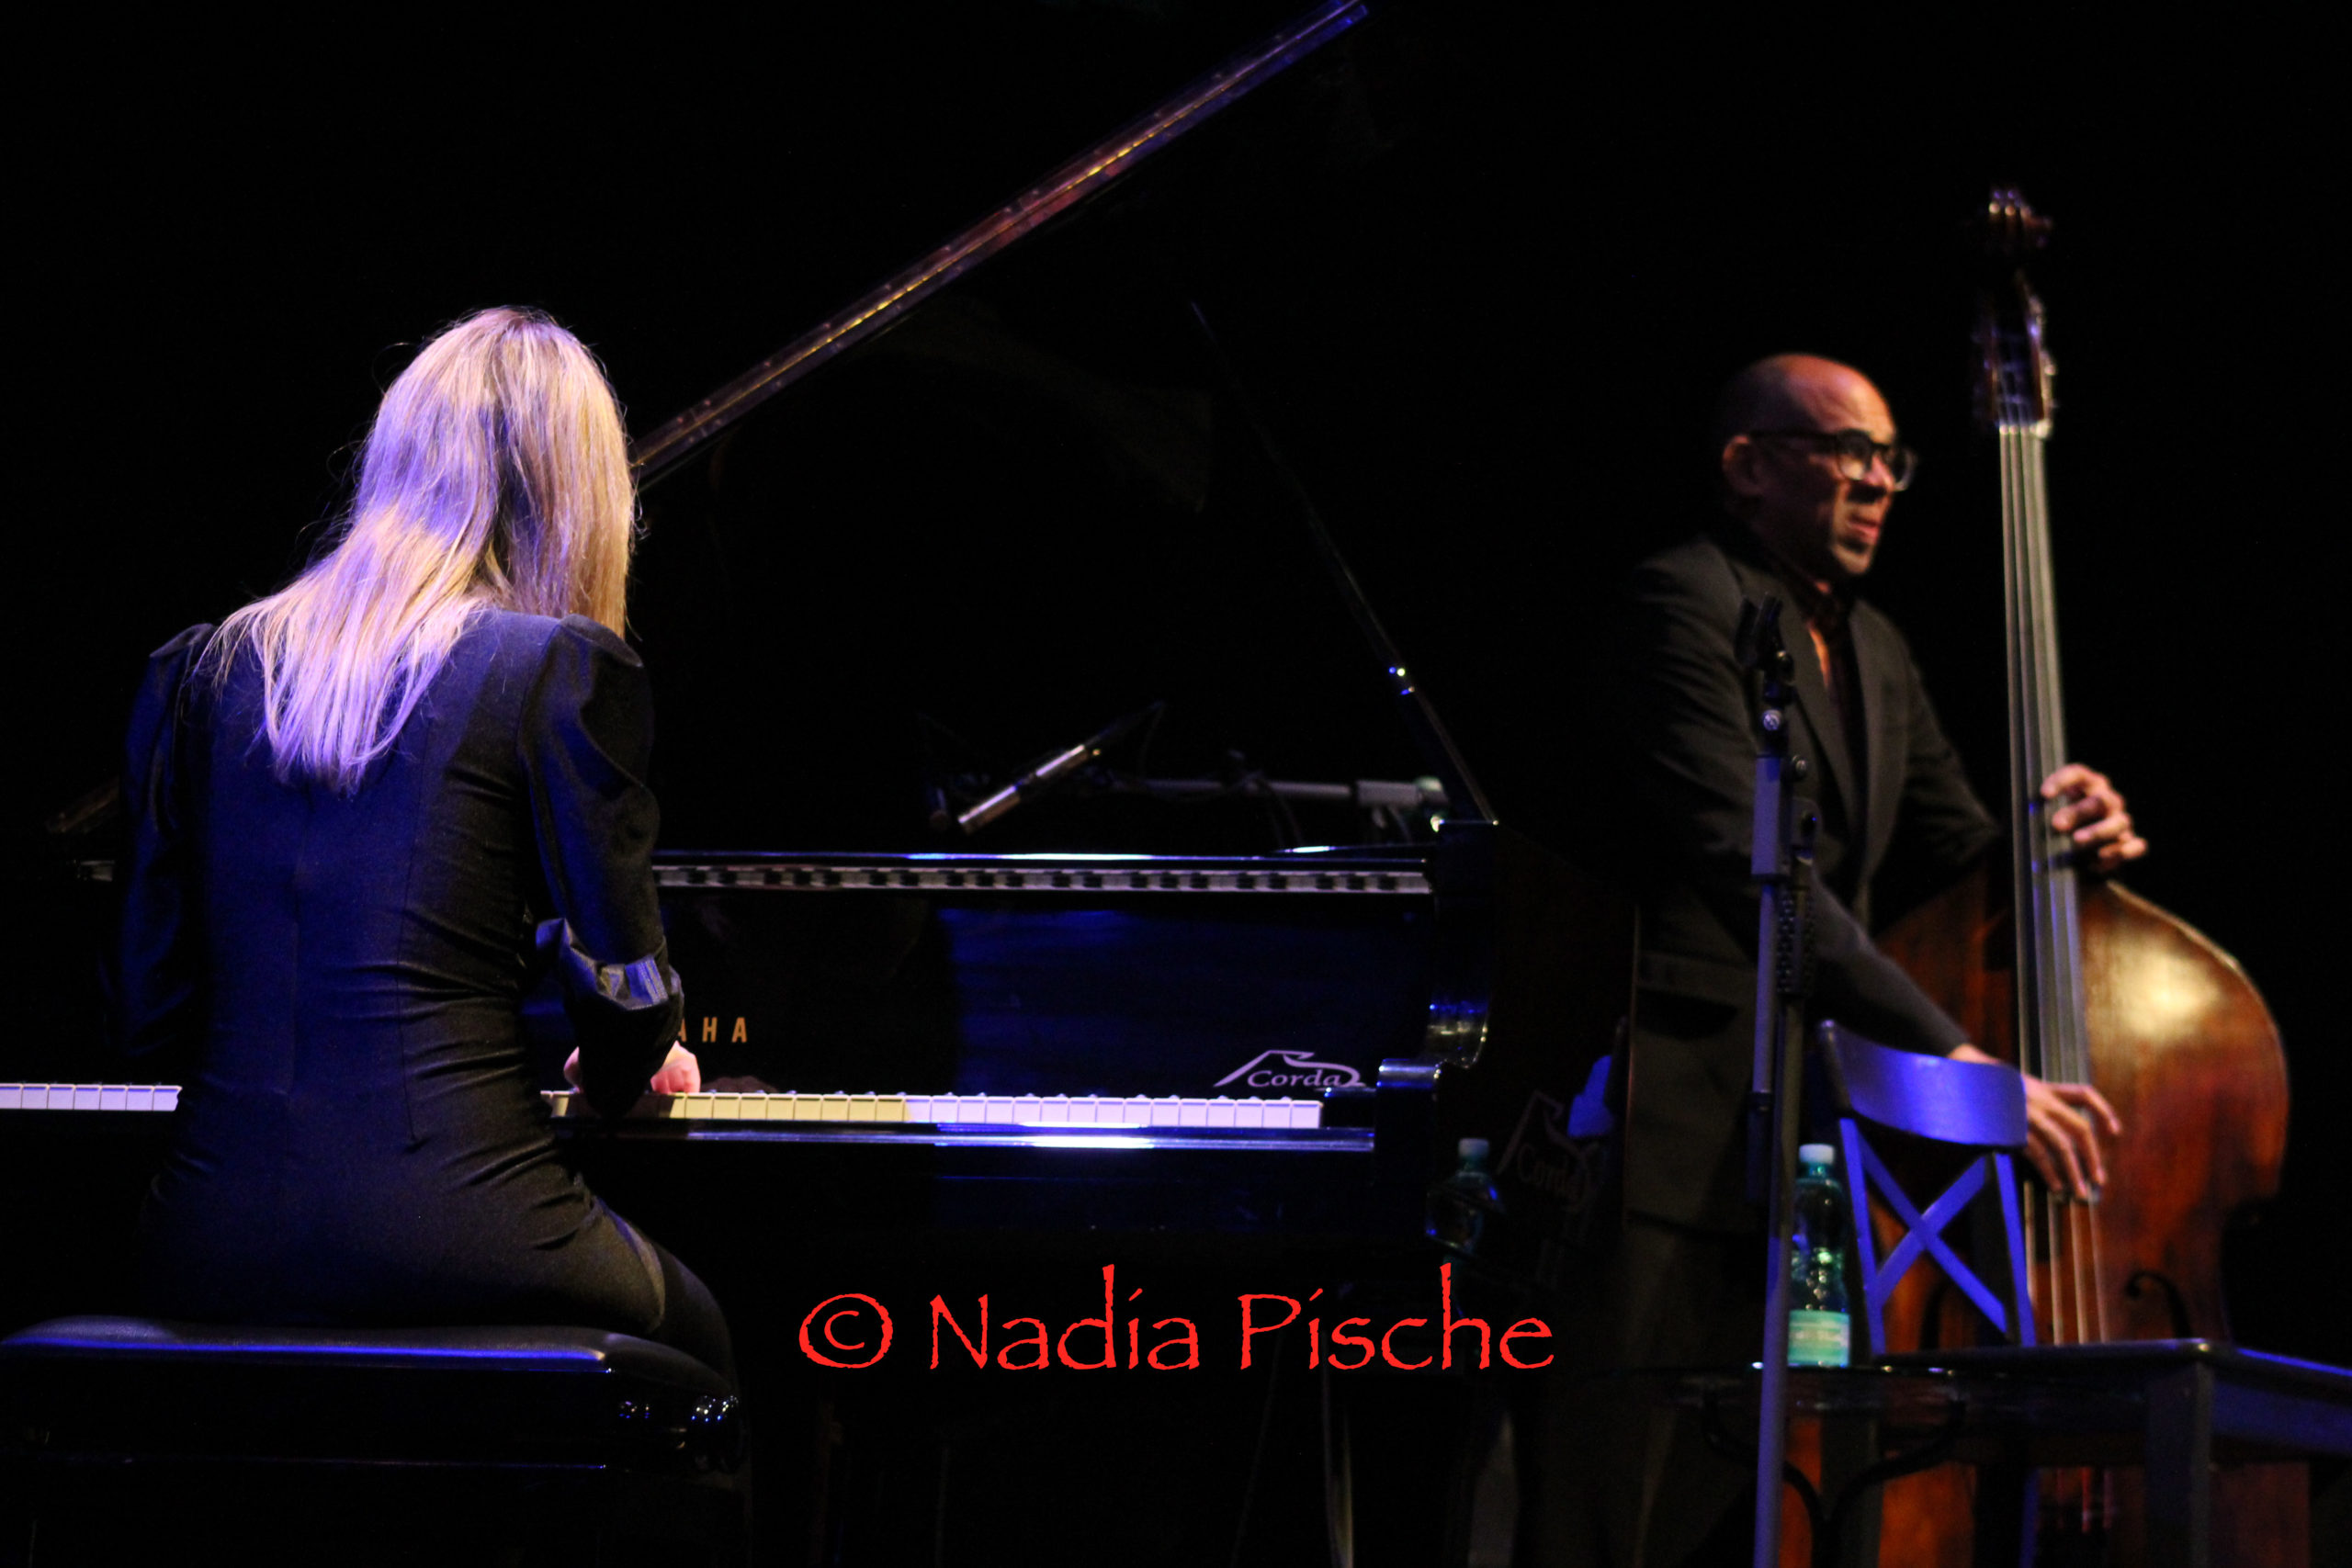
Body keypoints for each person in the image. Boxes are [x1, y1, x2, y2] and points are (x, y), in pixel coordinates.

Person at [1544, 354, 2130, 1565]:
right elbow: (1754, 875)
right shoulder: (1680, 603)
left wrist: (2070, 837)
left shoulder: (1878, 648)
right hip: (1678, 1122)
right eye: (1848, 452)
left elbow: (1964, 851)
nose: (1878, 482)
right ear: (1748, 466)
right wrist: (1957, 1057)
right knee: (1620, 1489)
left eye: (1889, 458)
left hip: (1818, 1135)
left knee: (1785, 1492)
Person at [117, 307, 732, 1378]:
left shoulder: (204, 670)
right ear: (576, 490)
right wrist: (628, 1056)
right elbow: (627, 997)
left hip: (208, 1231)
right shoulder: (555, 667)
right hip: (459, 1222)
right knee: (707, 1337)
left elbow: (146, 1009)